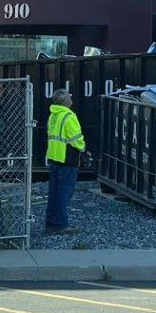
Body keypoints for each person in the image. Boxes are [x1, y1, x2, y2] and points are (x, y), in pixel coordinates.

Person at [44, 87, 86, 232]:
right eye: (69, 95)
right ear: (65, 100)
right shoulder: (69, 116)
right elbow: (76, 139)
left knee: (54, 192)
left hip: (54, 158)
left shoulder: (53, 115)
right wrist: (83, 148)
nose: (71, 96)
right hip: (68, 159)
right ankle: (61, 224)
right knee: (64, 192)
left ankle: (51, 222)